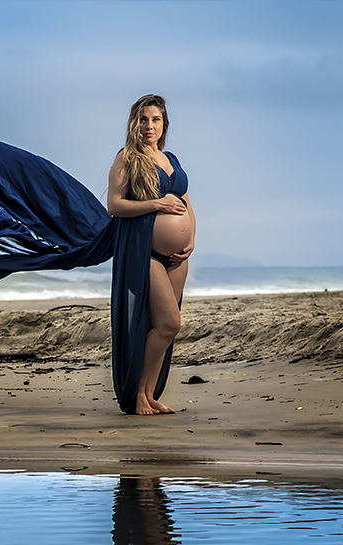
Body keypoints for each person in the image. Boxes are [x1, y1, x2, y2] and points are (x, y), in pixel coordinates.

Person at [106, 95, 194, 415]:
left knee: (160, 327)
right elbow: (115, 205)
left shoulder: (171, 158)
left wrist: (190, 238)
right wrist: (157, 204)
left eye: (155, 120)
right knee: (169, 324)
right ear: (134, 123)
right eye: (143, 120)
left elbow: (185, 202)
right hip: (146, 251)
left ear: (164, 124)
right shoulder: (127, 158)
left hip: (178, 257)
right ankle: (137, 394)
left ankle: (150, 393)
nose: (149, 126)